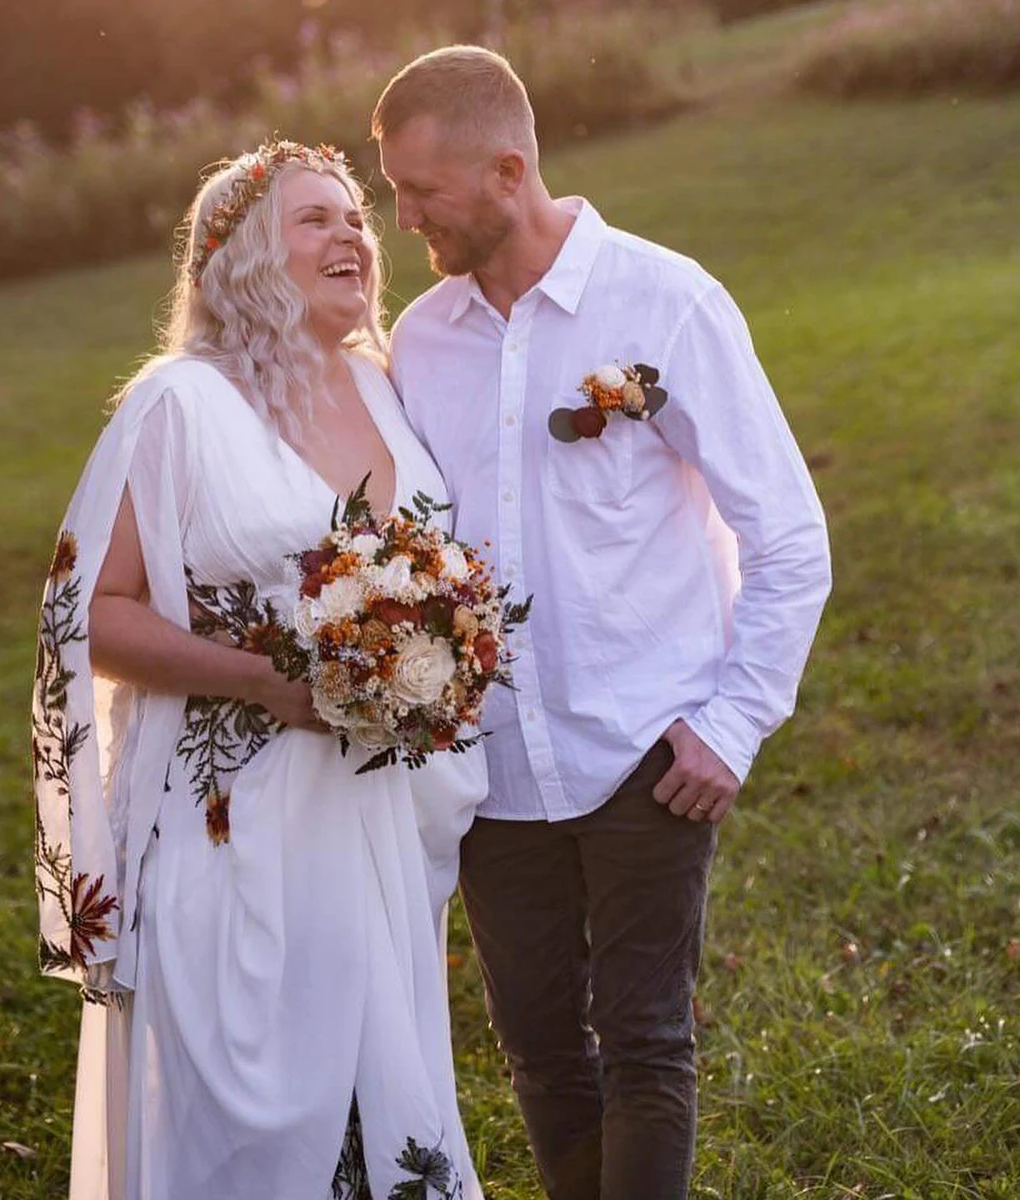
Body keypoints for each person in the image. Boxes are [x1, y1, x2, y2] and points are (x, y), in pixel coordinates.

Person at [373, 48, 832, 1200]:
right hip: (491, 771)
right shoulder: (419, 341)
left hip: (646, 750)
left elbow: (787, 535)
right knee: (537, 1053)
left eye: (419, 191)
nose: (401, 217)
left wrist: (732, 726)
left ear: (508, 169)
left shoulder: (667, 302)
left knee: (643, 1046)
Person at [32, 140, 486, 1200]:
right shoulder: (178, 405)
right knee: (247, 1098)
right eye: (314, 219)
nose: (353, 237)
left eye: (356, 219)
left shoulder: (381, 389)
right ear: (236, 256)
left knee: (383, 1091)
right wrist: (264, 679)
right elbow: (90, 612)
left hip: (370, 814)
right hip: (228, 812)